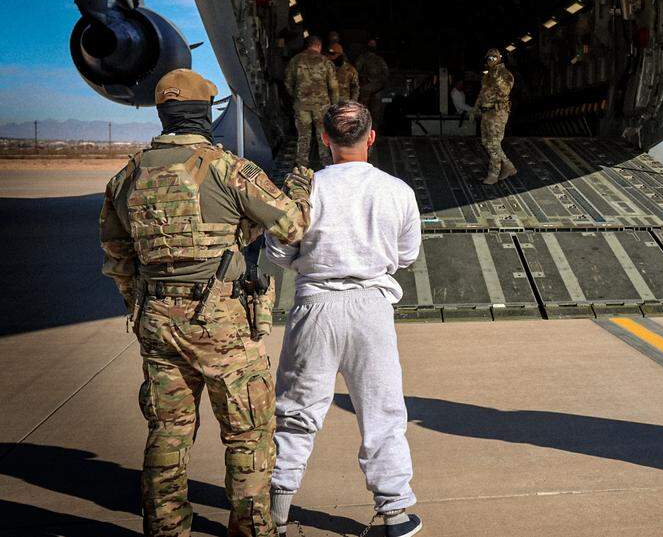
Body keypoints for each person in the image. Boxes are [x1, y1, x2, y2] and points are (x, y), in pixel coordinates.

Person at [100, 68, 313, 537]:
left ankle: (165, 525)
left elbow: (118, 255)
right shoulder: (229, 169)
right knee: (248, 430)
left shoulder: (127, 176)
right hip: (221, 323)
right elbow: (293, 226)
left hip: (156, 318)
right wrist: (300, 188)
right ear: (204, 114)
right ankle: (252, 528)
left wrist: (145, 304)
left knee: (168, 429)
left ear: (164, 114)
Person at [266, 101, 423, 537]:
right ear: (372, 137)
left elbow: (278, 251)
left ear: (325, 140)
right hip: (372, 308)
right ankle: (395, 513)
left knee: (297, 411)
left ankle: (275, 510)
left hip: (315, 305)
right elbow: (407, 255)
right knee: (382, 412)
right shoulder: (398, 191)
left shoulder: (305, 190)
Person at [285, 35, 339, 167]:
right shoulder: (325, 61)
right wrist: (334, 105)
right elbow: (333, 86)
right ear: (319, 46)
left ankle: (301, 167)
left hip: (302, 105)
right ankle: (326, 165)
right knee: (323, 137)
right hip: (321, 106)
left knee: (303, 136)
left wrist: (296, 97)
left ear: (307, 45)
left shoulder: (295, 60)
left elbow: (287, 82)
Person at [474, 48, 516, 184]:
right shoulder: (487, 76)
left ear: (499, 58)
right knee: (486, 142)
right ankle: (508, 166)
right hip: (487, 113)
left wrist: (496, 75)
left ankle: (493, 174)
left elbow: (504, 91)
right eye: (489, 58)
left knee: (494, 143)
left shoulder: (505, 74)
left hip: (498, 113)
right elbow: (482, 93)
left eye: (493, 57)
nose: (490, 60)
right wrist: (475, 108)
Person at [356, 38, 390, 124]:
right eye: (370, 44)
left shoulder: (379, 60)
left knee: (375, 115)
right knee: (364, 113)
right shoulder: (362, 58)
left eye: (373, 44)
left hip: (375, 90)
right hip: (366, 90)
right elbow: (356, 72)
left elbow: (385, 75)